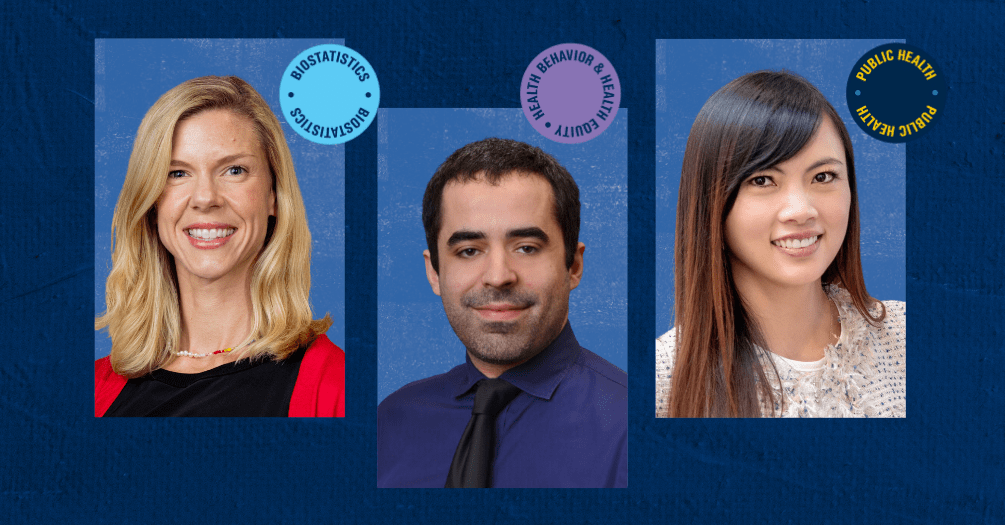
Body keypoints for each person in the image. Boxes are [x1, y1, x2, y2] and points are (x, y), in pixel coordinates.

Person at [378, 138, 627, 487]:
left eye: (526, 248)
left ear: (573, 265)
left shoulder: (632, 426)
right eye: (468, 251)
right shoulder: (389, 423)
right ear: (434, 272)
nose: (498, 277)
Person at [656, 71, 905, 418]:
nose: (801, 210)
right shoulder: (660, 381)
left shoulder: (907, 337)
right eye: (762, 180)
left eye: (823, 177)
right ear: (710, 206)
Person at [94, 76, 344, 417]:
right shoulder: (93, 388)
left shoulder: (335, 387)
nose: (205, 198)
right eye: (177, 173)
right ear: (151, 204)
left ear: (273, 195)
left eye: (234, 170)